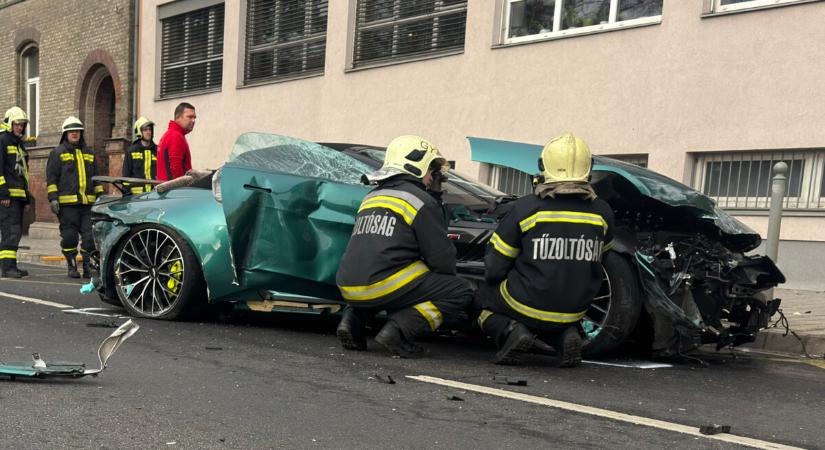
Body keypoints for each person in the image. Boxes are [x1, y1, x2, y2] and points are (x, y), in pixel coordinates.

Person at [474, 132, 615, 367]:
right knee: (547, 313)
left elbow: (494, 269)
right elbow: (602, 259)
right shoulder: (603, 212)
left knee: (478, 299)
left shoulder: (527, 208)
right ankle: (564, 336)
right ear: (588, 168)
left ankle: (512, 331)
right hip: (576, 308)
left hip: (526, 303)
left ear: (543, 166)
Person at [335, 135, 473, 358]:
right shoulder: (420, 200)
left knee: (392, 271)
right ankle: (398, 331)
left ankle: (352, 321)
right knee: (460, 290)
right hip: (382, 285)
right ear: (417, 166)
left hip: (349, 286)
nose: (432, 177)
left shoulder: (372, 196)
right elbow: (442, 260)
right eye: (432, 170)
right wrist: (436, 199)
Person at [46, 116, 103, 279]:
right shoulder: (57, 153)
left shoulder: (90, 153)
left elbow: (96, 178)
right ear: (65, 133)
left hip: (88, 205)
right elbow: (51, 179)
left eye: (77, 131)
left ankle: (87, 266)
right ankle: (71, 266)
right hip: (66, 206)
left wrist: (100, 198)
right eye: (71, 131)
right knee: (69, 237)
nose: (74, 133)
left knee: (89, 238)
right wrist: (53, 198)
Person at [0, 107, 32, 278]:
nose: (20, 127)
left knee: (16, 231)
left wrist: (26, 198)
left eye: (22, 125)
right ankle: (7, 268)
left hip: (19, 197)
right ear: (10, 124)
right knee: (10, 231)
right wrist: (3, 194)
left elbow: (23, 173)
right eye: (18, 124)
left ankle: (11, 265)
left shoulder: (20, 145)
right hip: (8, 198)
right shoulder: (3, 140)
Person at [156, 102, 195, 181]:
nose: (193, 121)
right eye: (190, 117)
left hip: (168, 189)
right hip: (174, 190)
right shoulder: (176, 136)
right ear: (178, 117)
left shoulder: (171, 134)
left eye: (194, 117)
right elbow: (175, 169)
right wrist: (182, 188)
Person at [122, 116, 157, 194]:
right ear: (139, 132)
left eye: (150, 129)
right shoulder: (131, 151)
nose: (149, 132)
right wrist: (126, 196)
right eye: (145, 130)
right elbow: (126, 176)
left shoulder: (157, 151)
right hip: (137, 197)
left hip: (155, 195)